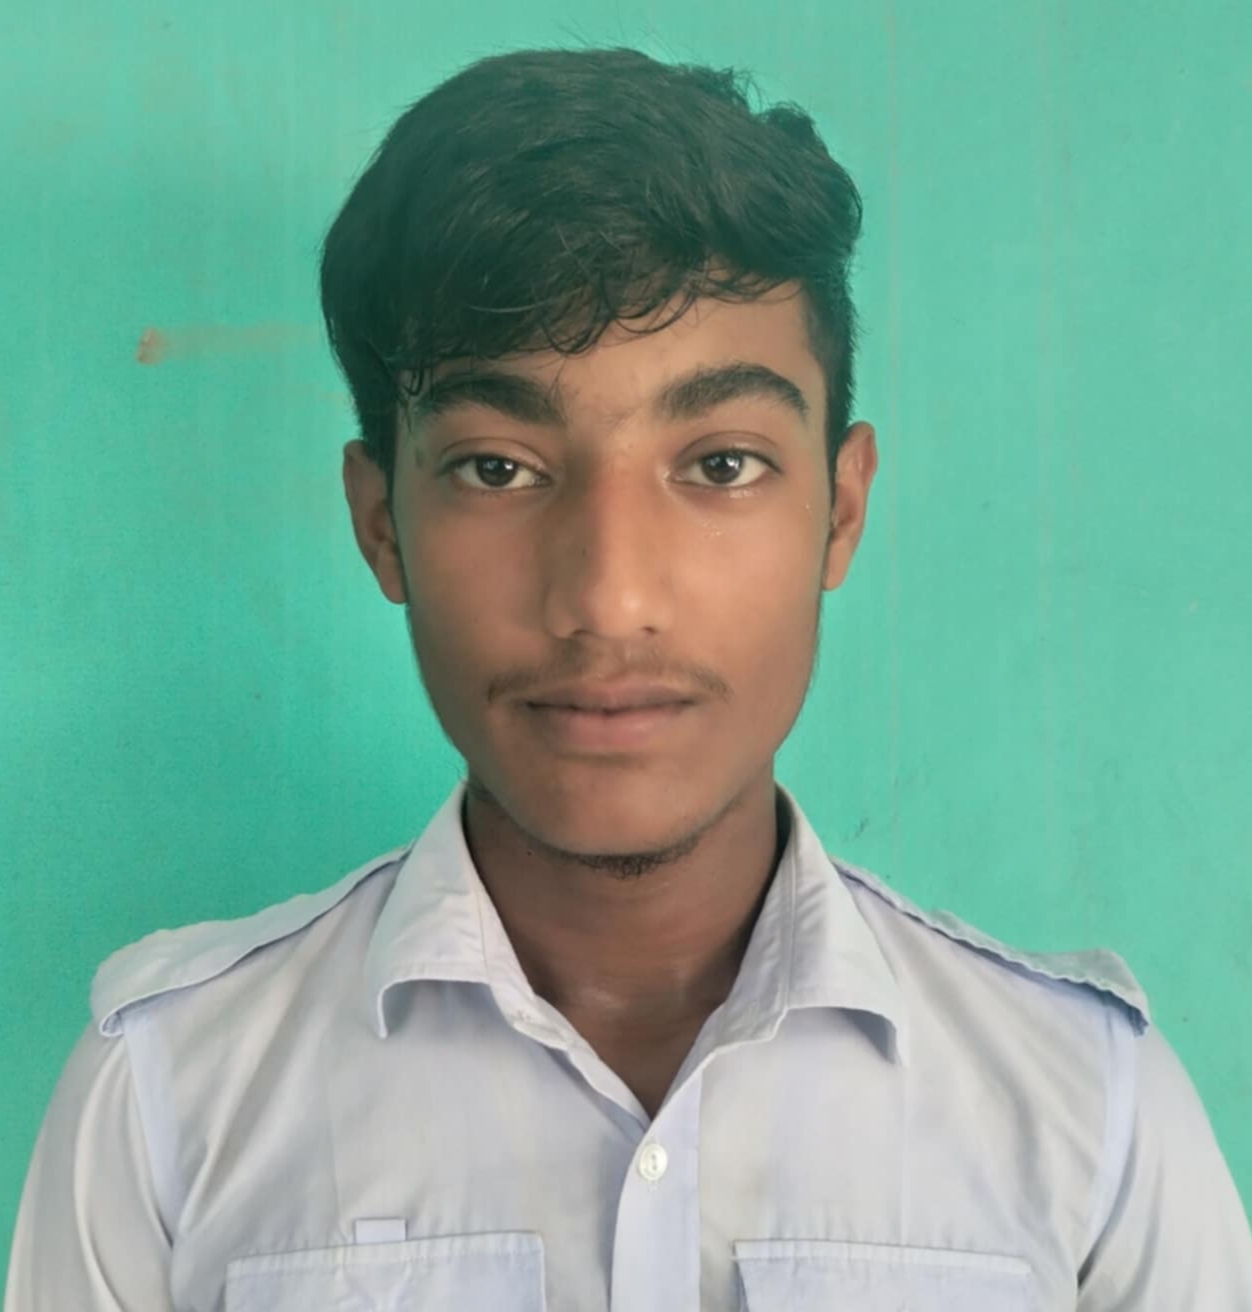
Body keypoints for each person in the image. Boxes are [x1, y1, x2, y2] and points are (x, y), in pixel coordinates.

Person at [6, 43, 1251, 1312]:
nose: (608, 599)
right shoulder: (165, 1103)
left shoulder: (1087, 1117)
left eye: (720, 464)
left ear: (840, 508)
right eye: (498, 467)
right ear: (381, 523)